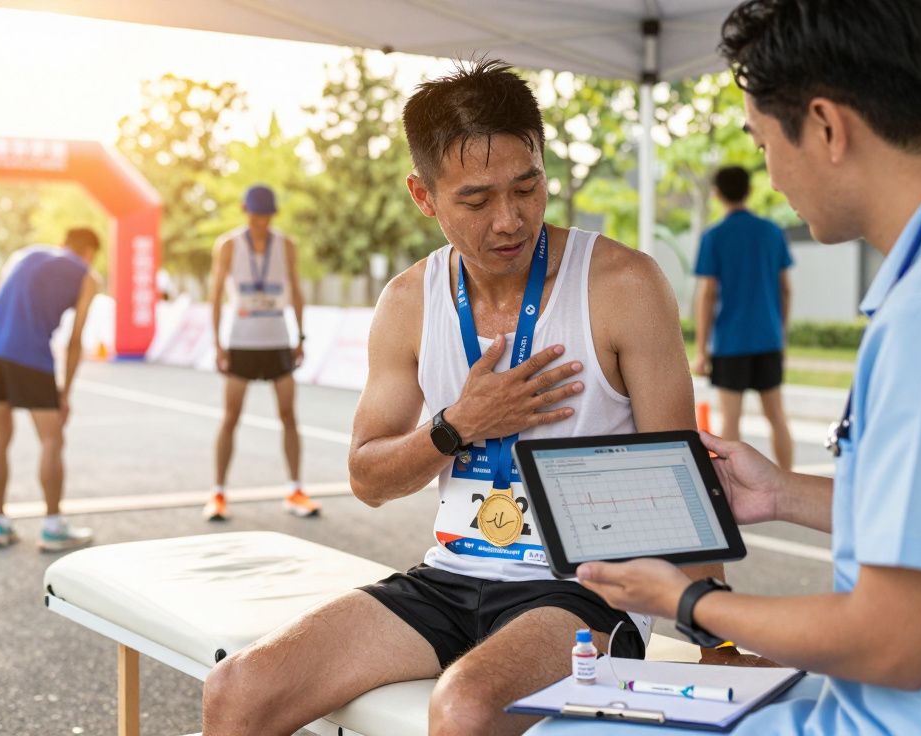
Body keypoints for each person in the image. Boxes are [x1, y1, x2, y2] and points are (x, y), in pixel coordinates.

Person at [542, 1, 921, 735]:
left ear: (828, 128)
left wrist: (683, 600)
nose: (770, 174)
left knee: (571, 726)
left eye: (764, 142)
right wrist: (784, 495)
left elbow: (894, 644)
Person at [201, 60, 720, 736]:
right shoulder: (408, 301)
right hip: (447, 576)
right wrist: (455, 426)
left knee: (464, 707)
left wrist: (716, 639)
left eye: (527, 186)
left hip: (582, 588)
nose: (510, 219)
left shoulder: (623, 283)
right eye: (476, 200)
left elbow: (680, 485)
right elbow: (366, 477)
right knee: (237, 689)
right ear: (424, 196)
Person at [0, 228, 101, 552]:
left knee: (0, 436)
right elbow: (75, 341)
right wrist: (65, 393)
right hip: (30, 353)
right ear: (89, 252)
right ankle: (52, 526)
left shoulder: (25, 253)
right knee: (52, 438)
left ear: (63, 243)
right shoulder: (88, 275)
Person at [203, 183, 318, 521]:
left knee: (288, 415)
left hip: (277, 340)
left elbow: (296, 290)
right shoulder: (227, 245)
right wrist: (217, 343)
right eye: (256, 216)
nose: (261, 223)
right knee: (231, 417)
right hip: (241, 341)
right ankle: (218, 493)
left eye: (266, 217)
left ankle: (296, 488)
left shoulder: (286, 245)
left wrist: (300, 335)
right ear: (245, 211)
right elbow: (214, 296)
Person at [692, 165, 794, 470]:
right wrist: (781, 334)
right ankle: (788, 477)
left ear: (717, 194)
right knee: (776, 416)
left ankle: (732, 488)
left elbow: (708, 295)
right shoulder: (772, 232)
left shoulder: (714, 236)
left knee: (731, 422)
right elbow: (785, 289)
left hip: (730, 343)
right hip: (768, 339)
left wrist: (700, 350)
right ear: (749, 191)